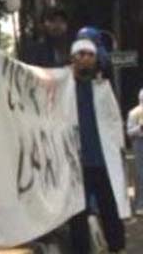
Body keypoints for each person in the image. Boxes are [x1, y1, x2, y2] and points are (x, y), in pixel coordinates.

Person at [68, 38, 128, 253]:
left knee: (110, 209)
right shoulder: (63, 88)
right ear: (72, 57)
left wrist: (119, 148)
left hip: (103, 161)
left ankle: (117, 247)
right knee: (78, 213)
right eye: (80, 53)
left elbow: (113, 119)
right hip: (77, 162)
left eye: (90, 54)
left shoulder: (103, 87)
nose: (85, 57)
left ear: (95, 59)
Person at [127, 89, 143, 214]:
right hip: (139, 144)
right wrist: (140, 128)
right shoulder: (134, 113)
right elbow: (129, 132)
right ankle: (139, 204)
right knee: (140, 175)